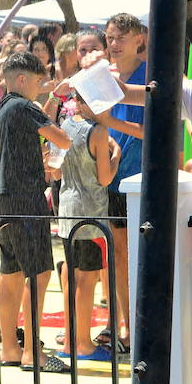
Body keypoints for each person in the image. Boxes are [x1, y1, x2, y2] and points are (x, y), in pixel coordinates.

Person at [0, 51, 71, 372]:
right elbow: (63, 140)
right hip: (26, 200)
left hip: (3, 199)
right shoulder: (25, 107)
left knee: (10, 274)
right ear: (21, 79)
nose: (40, 88)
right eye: (38, 81)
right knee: (39, 273)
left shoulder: (0, 111)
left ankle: (10, 347)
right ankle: (32, 354)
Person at [93, 13, 145, 353]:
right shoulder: (107, 76)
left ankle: (132, 328)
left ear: (138, 39)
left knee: (131, 256)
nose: (113, 44)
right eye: (110, 37)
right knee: (117, 256)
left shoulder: (148, 78)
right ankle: (120, 325)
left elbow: (149, 132)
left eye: (120, 38)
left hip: (139, 180)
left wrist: (110, 121)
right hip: (111, 179)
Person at [55, 92, 118, 362]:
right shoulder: (98, 131)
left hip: (67, 211)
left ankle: (70, 341)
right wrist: (116, 154)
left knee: (70, 277)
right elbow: (104, 178)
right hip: (91, 215)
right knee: (87, 280)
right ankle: (84, 344)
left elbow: (56, 171)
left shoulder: (65, 126)